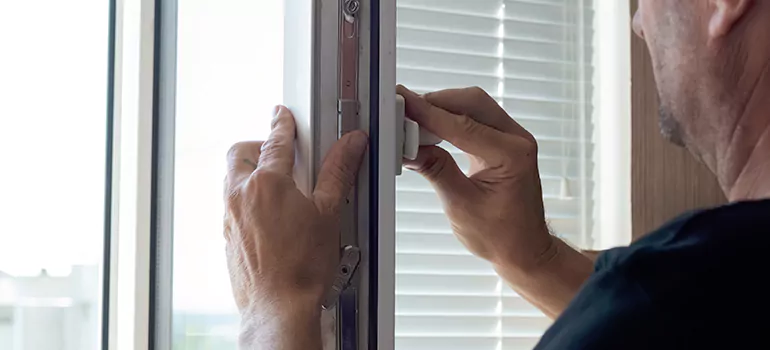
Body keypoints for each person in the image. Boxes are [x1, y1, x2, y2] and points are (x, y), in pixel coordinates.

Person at [224, 1, 770, 349]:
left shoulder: (680, 295)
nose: (638, 22)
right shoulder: (715, 291)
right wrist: (537, 260)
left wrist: (275, 308)